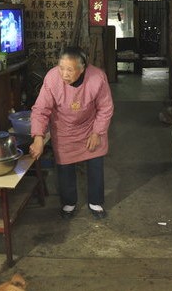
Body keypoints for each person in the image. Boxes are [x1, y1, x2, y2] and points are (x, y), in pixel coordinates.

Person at [29, 46, 114, 220]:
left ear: (82, 68)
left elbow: (105, 108)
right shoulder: (52, 78)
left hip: (90, 126)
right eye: (61, 68)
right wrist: (38, 137)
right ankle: (69, 202)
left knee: (95, 163)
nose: (64, 74)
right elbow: (41, 109)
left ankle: (95, 201)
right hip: (64, 129)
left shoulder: (97, 77)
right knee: (65, 167)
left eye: (70, 69)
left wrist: (97, 132)